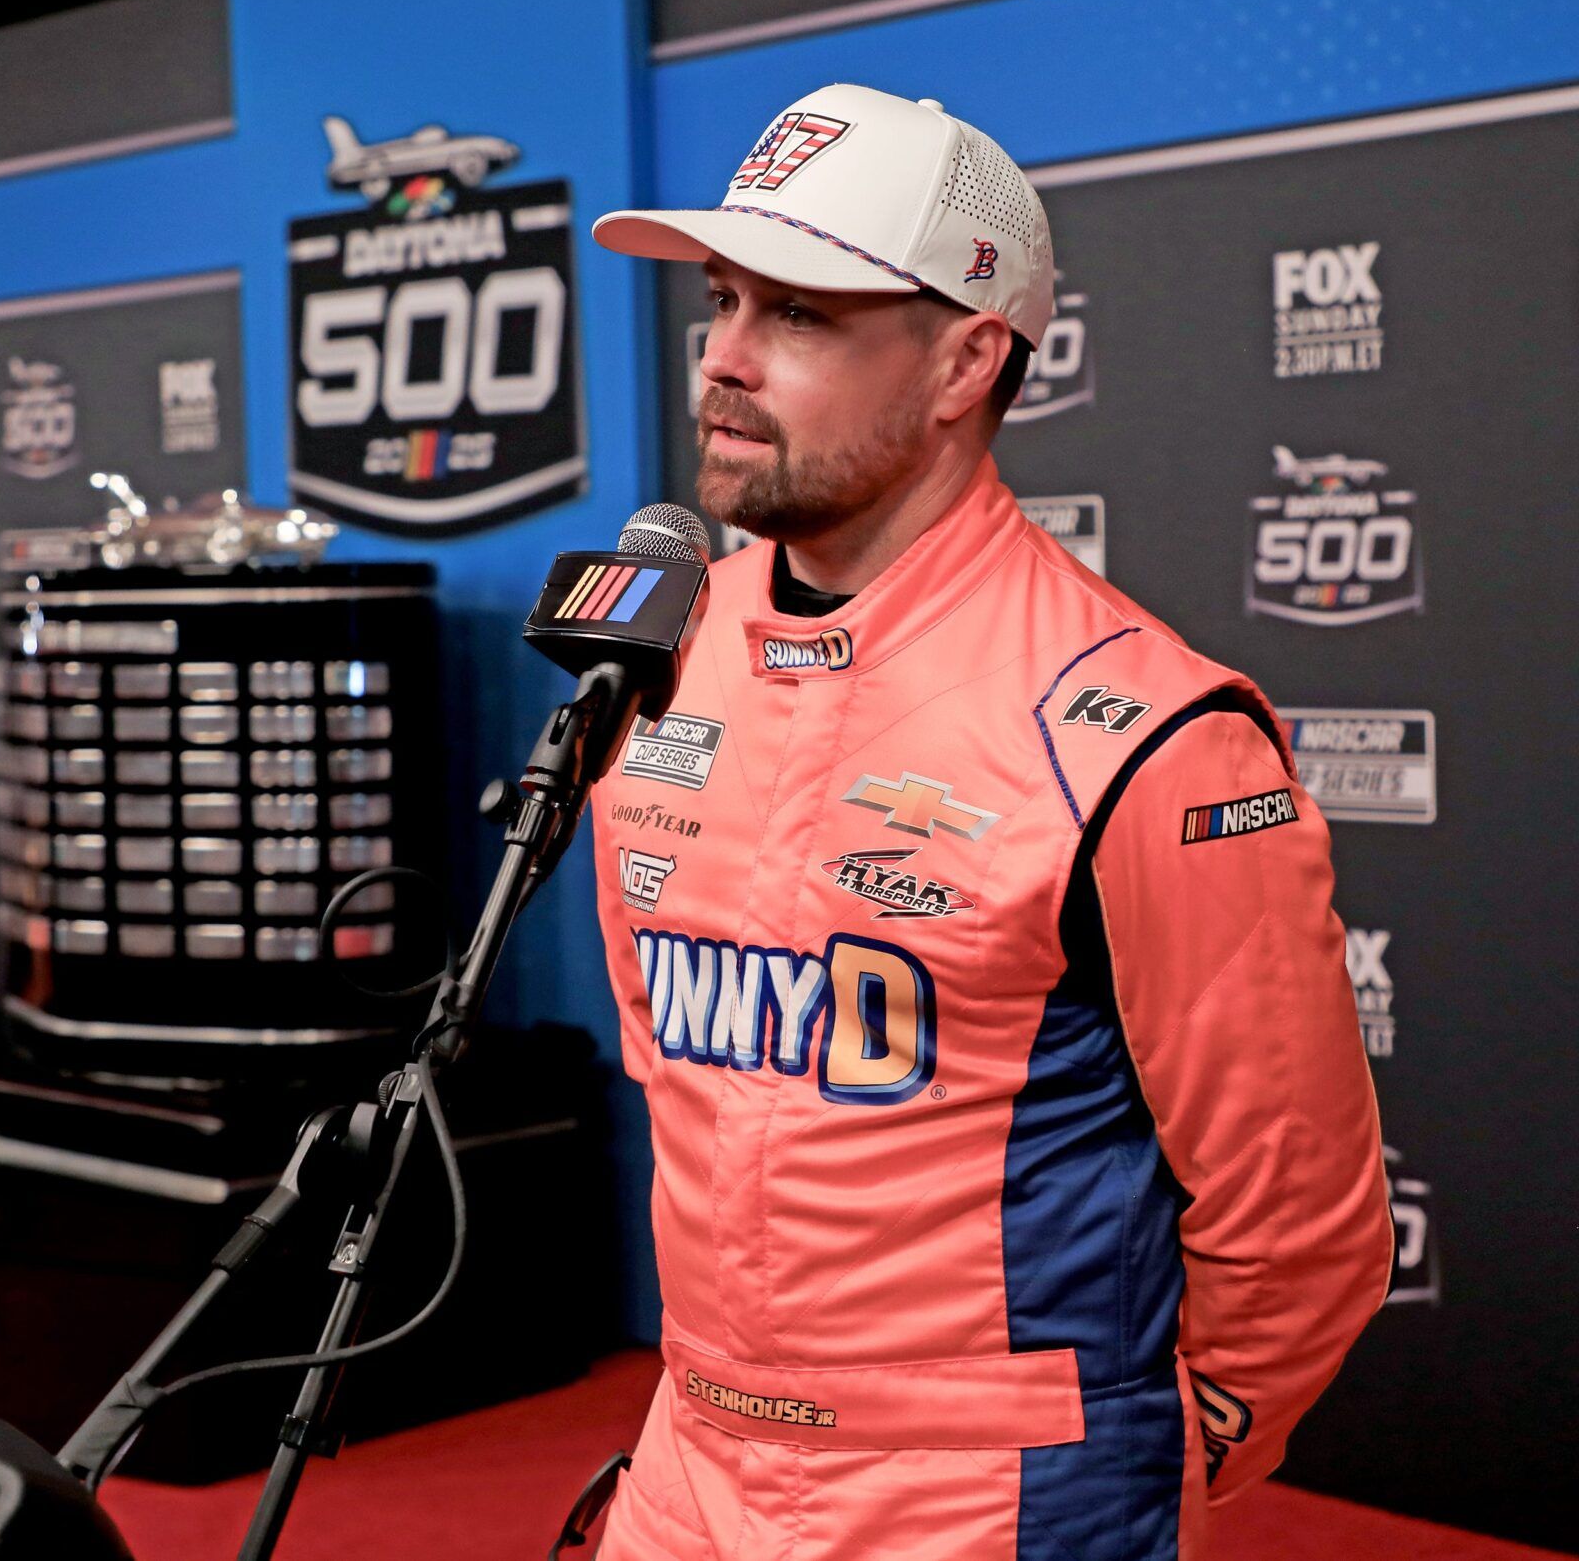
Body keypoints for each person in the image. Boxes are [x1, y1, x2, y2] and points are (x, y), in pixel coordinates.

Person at [581, 83, 1394, 1561]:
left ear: (965, 358)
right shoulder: (657, 665)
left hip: (995, 1506)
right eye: (720, 300)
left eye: (804, 316)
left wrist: (1150, 1472)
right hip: (684, 1469)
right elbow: (682, 1086)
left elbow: (1298, 1224)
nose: (723, 360)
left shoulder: (1154, 734)